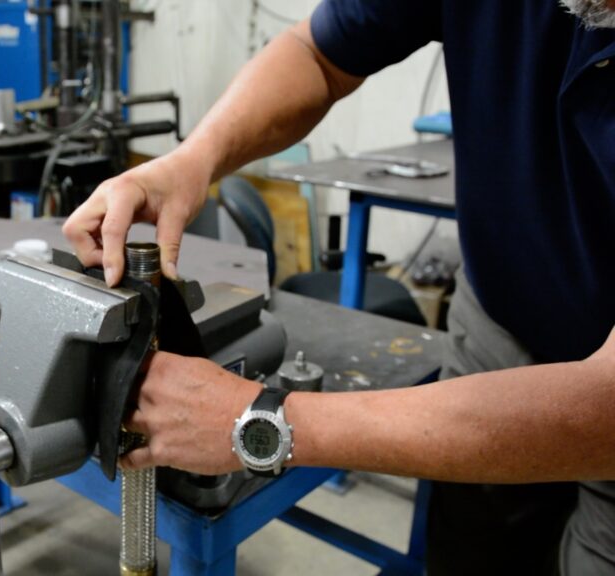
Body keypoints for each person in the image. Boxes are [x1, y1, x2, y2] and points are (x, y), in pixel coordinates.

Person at [62, 1, 615, 575]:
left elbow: (606, 406)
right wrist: (193, 160)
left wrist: (263, 421)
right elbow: (318, 55)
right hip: (503, 310)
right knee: (472, 551)